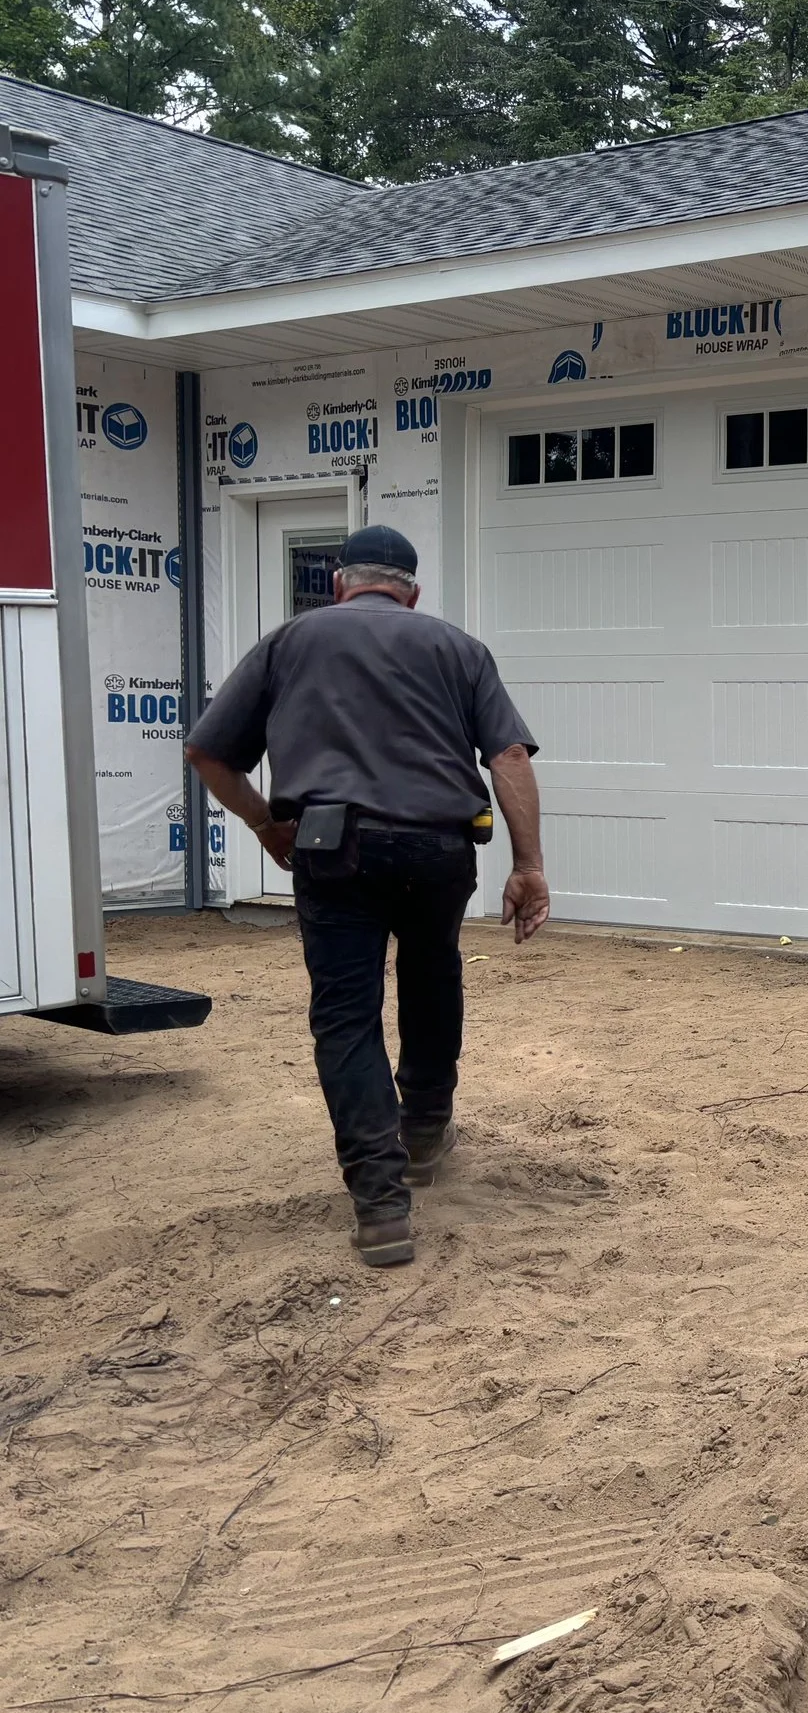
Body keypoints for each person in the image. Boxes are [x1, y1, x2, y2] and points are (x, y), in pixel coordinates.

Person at [185, 525, 549, 1268]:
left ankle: (382, 1206)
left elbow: (206, 751)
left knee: (347, 1014)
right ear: (411, 593)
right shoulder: (458, 648)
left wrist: (263, 824)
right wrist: (529, 864)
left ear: (339, 585)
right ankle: (423, 1132)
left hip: (332, 848)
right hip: (440, 846)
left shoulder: (290, 641)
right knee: (430, 975)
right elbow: (507, 755)